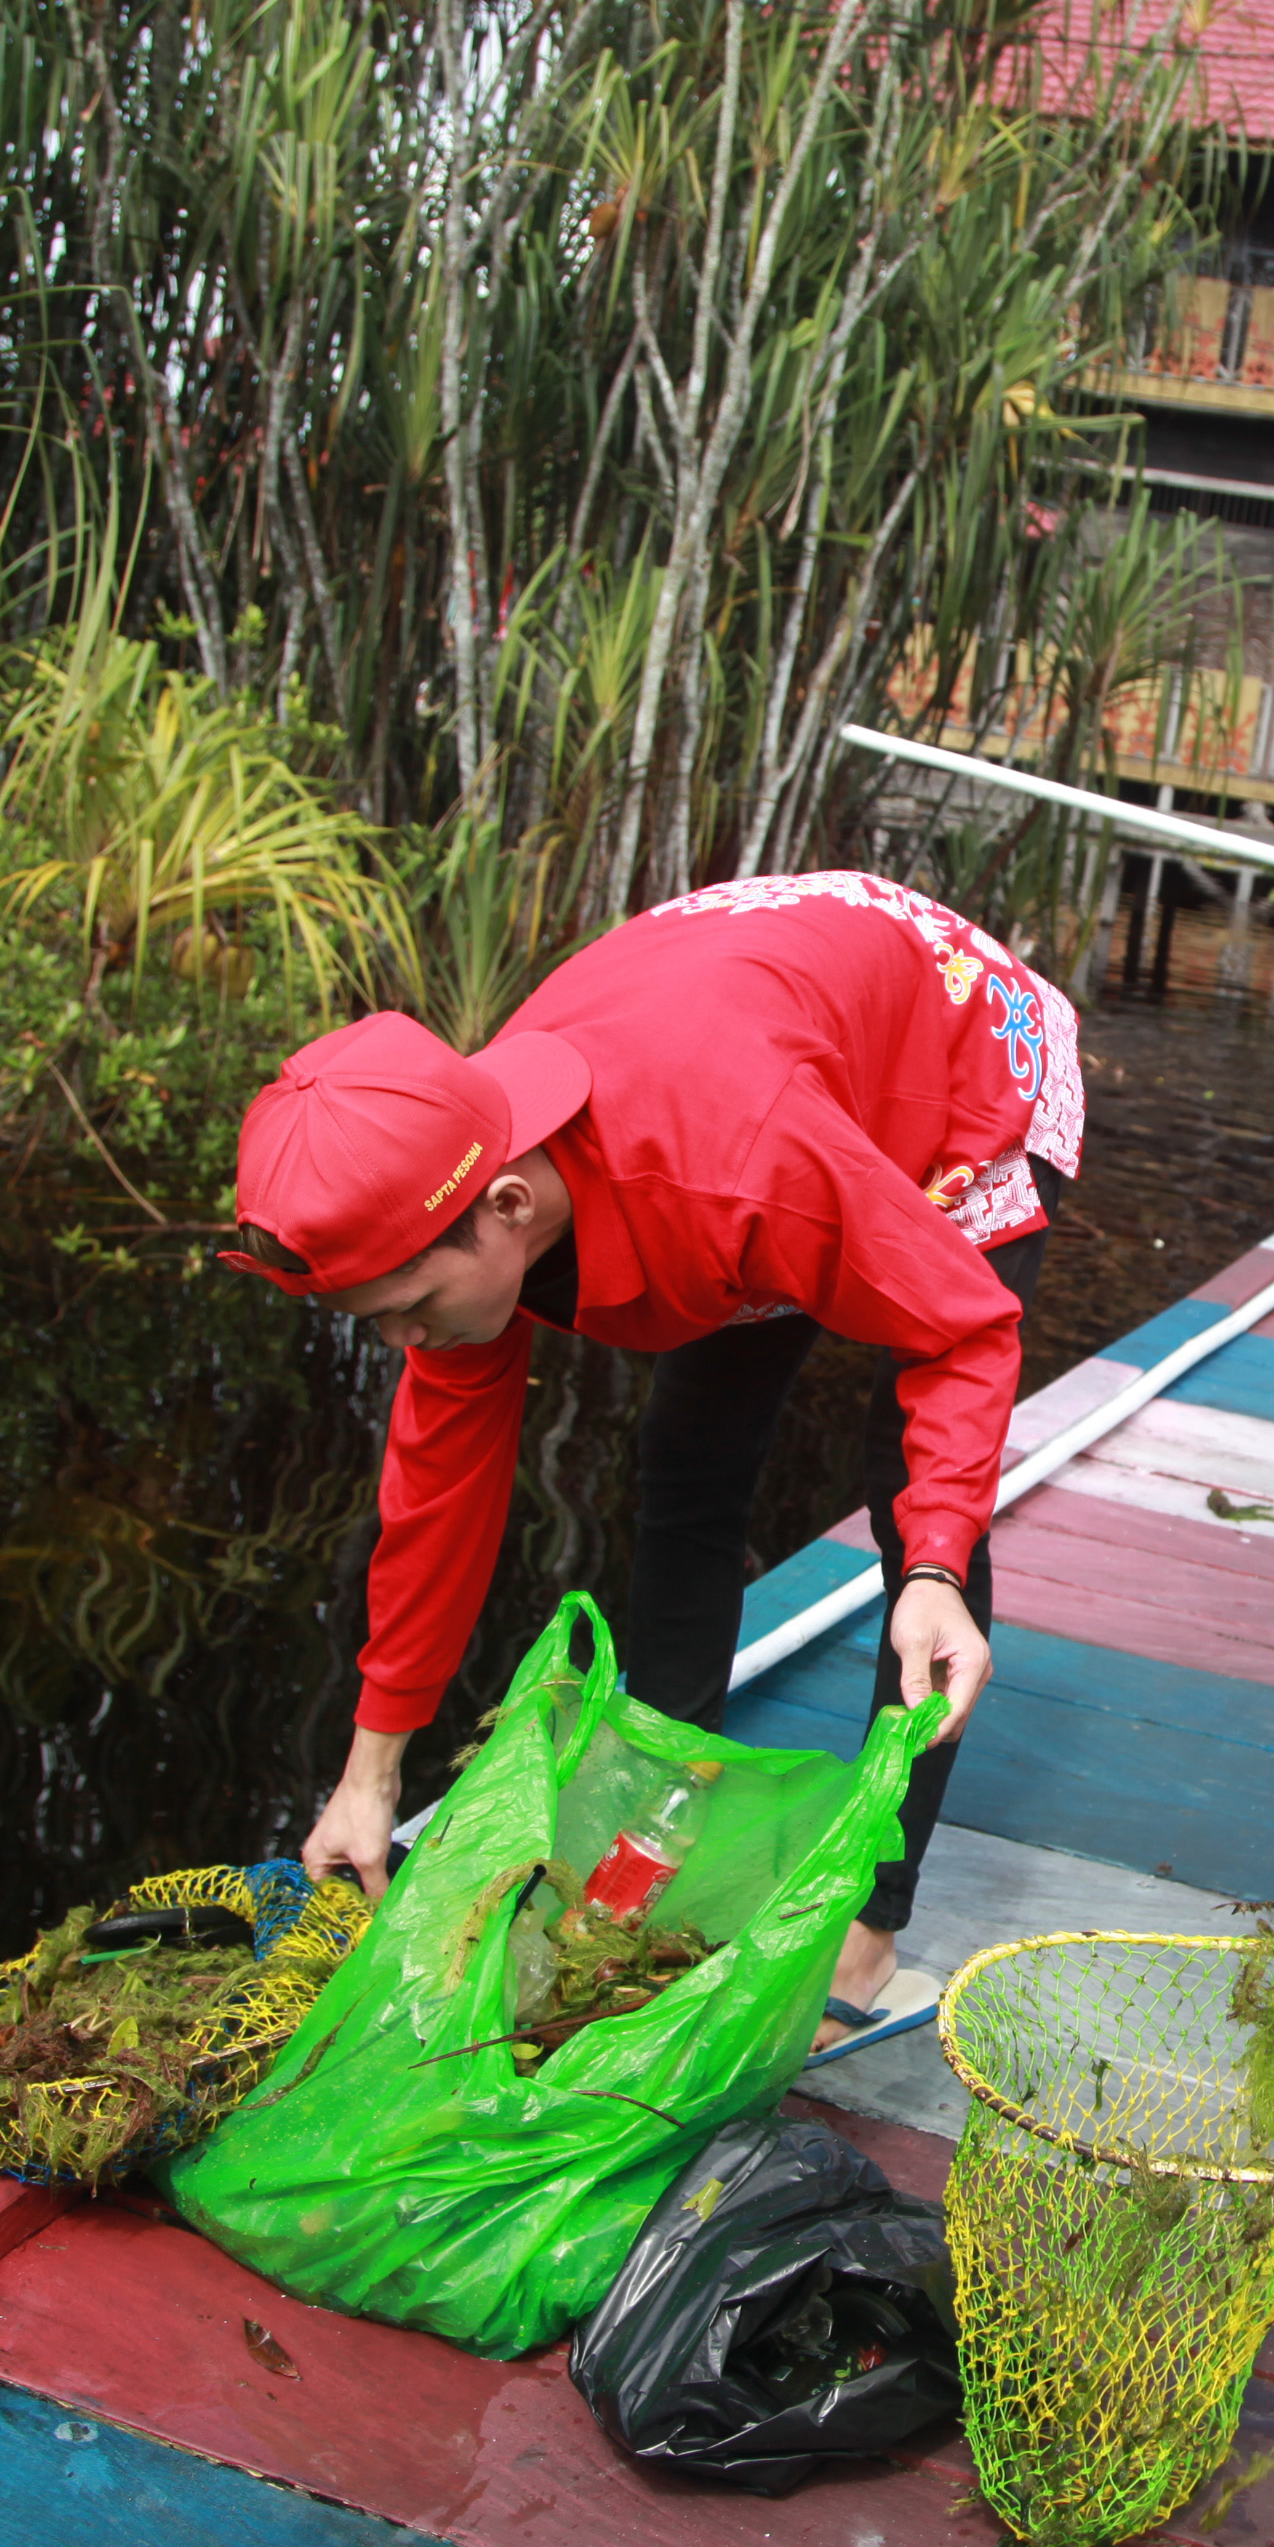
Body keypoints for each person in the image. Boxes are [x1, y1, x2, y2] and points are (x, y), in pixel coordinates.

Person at [223, 871, 1084, 2046]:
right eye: (374, 1319)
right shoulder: (456, 1181)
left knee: (915, 1496)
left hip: (951, 1061)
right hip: (763, 1071)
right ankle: (658, 1820)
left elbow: (963, 1323)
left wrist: (937, 1562)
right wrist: (368, 1780)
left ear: (510, 1204)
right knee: (685, 1461)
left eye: (410, 1306)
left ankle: (873, 1923)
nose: (401, 1342)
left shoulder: (739, 1159)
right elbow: (436, 1504)